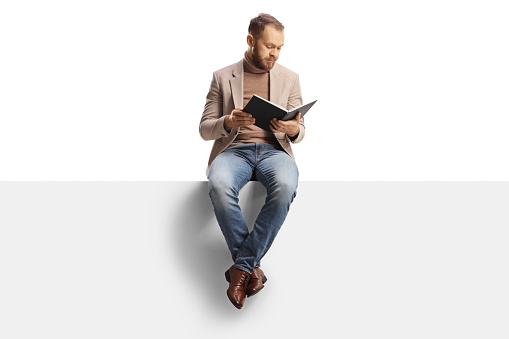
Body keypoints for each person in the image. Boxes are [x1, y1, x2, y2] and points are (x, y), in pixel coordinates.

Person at [199, 13, 305, 309]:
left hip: (274, 151)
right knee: (219, 186)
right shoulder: (222, 76)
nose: (275, 53)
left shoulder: (290, 78)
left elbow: (300, 128)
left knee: (285, 186)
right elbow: (204, 128)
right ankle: (250, 269)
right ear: (250, 41)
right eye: (269, 46)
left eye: (280, 48)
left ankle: (241, 268)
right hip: (235, 151)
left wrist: (292, 129)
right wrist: (228, 121)